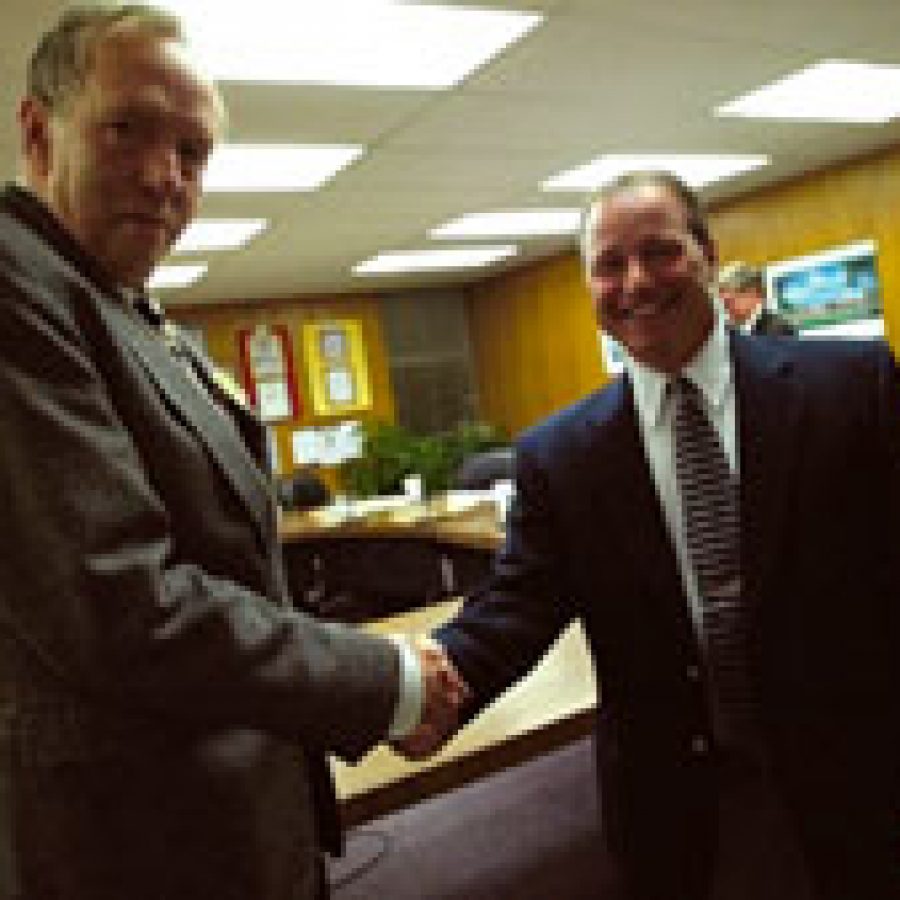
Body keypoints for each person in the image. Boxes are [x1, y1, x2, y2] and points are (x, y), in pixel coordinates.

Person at [0, 6, 467, 899]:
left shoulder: (121, 303)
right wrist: (384, 681)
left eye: (193, 151)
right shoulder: (19, 280)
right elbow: (123, 605)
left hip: (219, 819)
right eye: (126, 127)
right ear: (37, 130)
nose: (161, 176)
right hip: (132, 845)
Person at [395, 171, 899, 899]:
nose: (636, 281)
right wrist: (413, 689)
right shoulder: (562, 455)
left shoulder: (851, 387)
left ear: (707, 255)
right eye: (608, 264)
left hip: (854, 769)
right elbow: (519, 604)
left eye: (661, 252)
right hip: (676, 797)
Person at [717, 260, 795, 335]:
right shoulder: (721, 330)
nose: (726, 306)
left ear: (755, 294)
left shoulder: (781, 330)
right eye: (725, 301)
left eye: (732, 299)